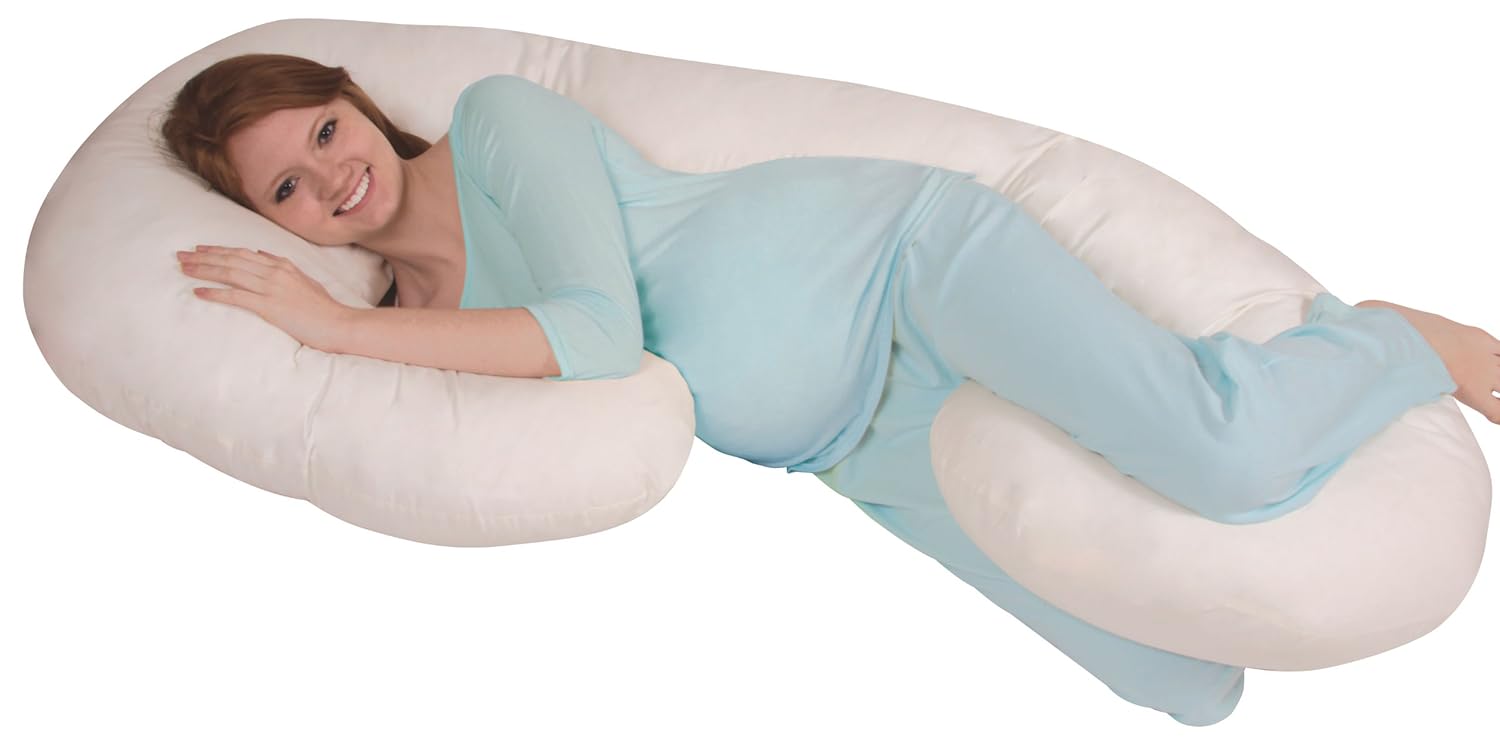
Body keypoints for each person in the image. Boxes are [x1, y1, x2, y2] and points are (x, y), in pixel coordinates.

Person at [158, 53, 1500, 725]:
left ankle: (1393, 343)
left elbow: (594, 332)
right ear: (276, 226)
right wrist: (353, 333)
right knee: (1186, 683)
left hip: (907, 265)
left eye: (325, 129)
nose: (334, 176)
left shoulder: (497, 124)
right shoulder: (417, 332)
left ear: (355, 99)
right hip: (854, 438)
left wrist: (331, 334)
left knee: (1223, 451)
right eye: (290, 188)